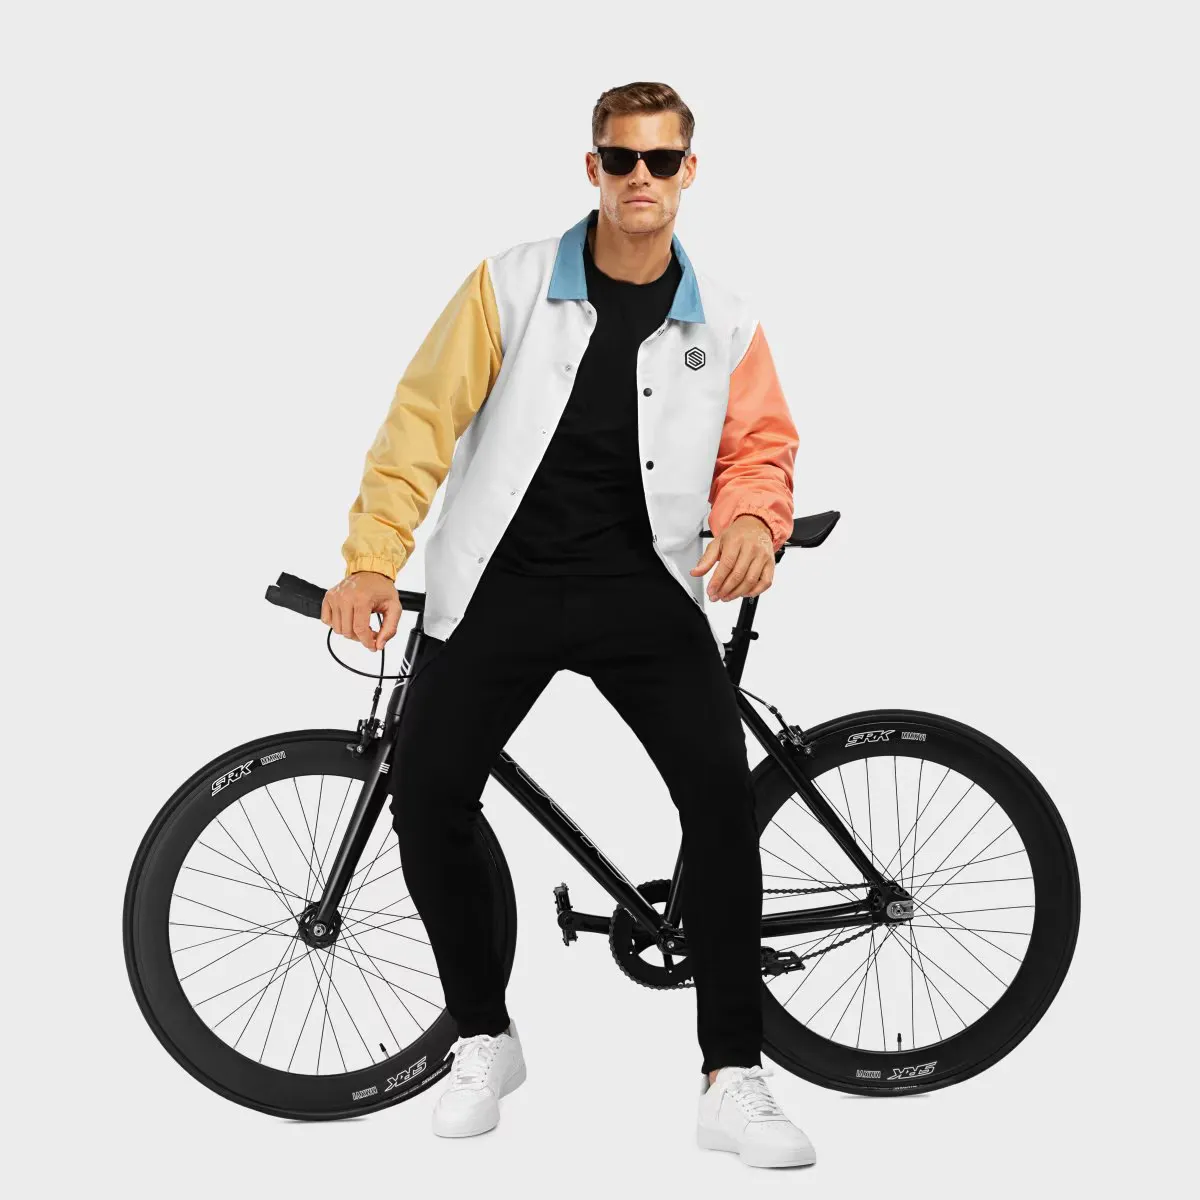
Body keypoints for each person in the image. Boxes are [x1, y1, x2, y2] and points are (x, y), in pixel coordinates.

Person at [322, 81, 813, 1169]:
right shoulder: (507, 286)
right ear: (592, 168)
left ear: (690, 173)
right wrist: (371, 558)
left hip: (648, 592)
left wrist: (750, 519)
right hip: (501, 584)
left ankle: (732, 1077)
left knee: (721, 810)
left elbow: (760, 450)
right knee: (428, 795)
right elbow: (420, 423)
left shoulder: (727, 320)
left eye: (662, 160)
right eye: (621, 158)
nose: (642, 178)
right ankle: (483, 1037)